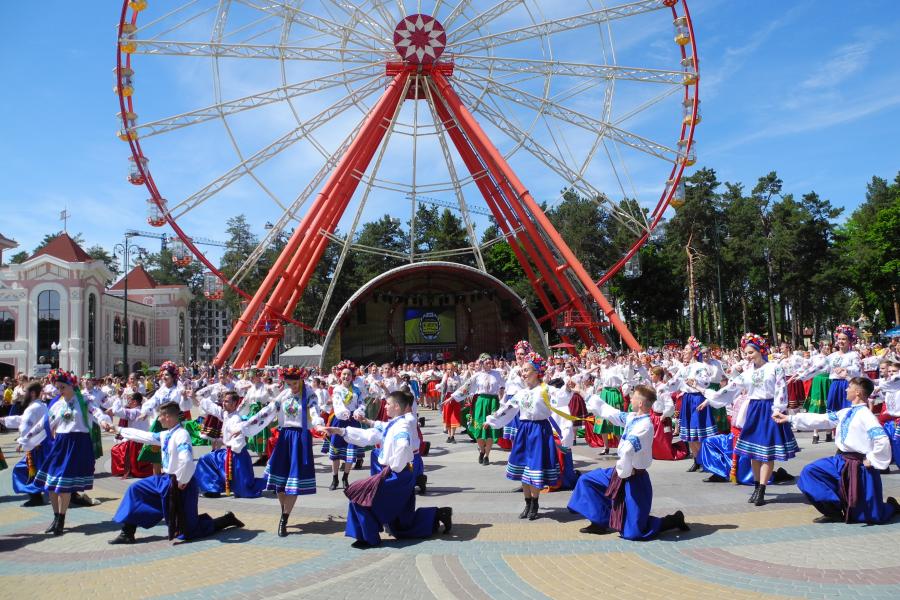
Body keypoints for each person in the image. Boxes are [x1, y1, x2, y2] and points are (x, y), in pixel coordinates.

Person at [320, 390, 452, 548]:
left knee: (361, 498)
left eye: (388, 403)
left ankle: (368, 538)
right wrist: (341, 431)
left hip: (397, 474)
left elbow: (403, 444)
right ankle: (437, 514)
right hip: (400, 472)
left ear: (397, 406)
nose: (385, 406)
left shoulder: (404, 423)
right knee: (401, 524)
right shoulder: (395, 422)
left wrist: (393, 466)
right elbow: (371, 434)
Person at [109, 401, 244, 543]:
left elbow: (186, 460)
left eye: (160, 416)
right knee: (136, 489)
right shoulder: (166, 434)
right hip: (166, 480)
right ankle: (127, 533)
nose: (158, 419)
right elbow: (145, 436)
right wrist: (118, 429)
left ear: (167, 416)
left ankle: (227, 519)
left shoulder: (181, 435)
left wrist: (182, 480)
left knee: (188, 532)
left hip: (181, 485)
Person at [568, 384, 689, 539]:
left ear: (640, 403)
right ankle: (600, 521)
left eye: (633, 397)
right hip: (620, 472)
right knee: (586, 481)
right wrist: (582, 392)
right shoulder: (632, 418)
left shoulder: (645, 425)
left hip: (634, 478)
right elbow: (608, 411)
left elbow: (627, 449)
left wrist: (623, 473)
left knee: (634, 532)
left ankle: (673, 520)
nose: (630, 398)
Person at [775, 377, 899, 524]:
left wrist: (871, 459)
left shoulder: (866, 416)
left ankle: (892, 507)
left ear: (858, 392)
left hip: (860, 466)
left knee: (870, 516)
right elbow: (823, 419)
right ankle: (833, 511)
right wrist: (789, 418)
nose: (846, 389)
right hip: (840, 460)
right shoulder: (846, 412)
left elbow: (882, 439)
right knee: (811, 472)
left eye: (849, 387)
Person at [700, 333, 799, 506]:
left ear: (761, 351)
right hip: (753, 410)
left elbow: (781, 389)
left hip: (769, 409)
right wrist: (708, 394)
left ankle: (762, 489)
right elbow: (730, 389)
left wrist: (777, 409)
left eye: (751, 352)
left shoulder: (774, 368)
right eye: (746, 353)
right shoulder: (747, 373)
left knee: (767, 453)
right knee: (753, 452)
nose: (748, 356)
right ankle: (755, 486)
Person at [15, 370, 111, 535]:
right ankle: (55, 517)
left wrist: (104, 422)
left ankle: (61, 518)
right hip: (59, 444)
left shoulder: (84, 400)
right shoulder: (57, 404)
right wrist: (24, 439)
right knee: (51, 484)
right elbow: (43, 424)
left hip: (77, 444)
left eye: (63, 387)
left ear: (72, 385)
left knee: (64, 486)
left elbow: (97, 412)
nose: (60, 391)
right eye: (58, 387)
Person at [483, 352, 569, 520]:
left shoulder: (545, 389)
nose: (523, 373)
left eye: (527, 370)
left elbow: (562, 397)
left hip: (539, 431)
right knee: (523, 468)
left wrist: (569, 389)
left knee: (534, 468)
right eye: (522, 370)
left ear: (537, 372)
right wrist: (492, 420)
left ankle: (535, 503)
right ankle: (527, 502)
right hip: (524, 430)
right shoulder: (521, 393)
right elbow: (507, 408)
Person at [242, 367, 323, 536]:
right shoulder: (284, 394)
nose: (292, 386)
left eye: (295, 383)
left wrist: (319, 424)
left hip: (300, 438)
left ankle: (284, 518)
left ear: (301, 379)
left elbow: (315, 411)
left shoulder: (309, 395)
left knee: (293, 482)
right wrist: (245, 426)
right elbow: (268, 410)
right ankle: (283, 509)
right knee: (279, 483)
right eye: (289, 383)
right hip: (285, 437)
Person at [194, 390, 267, 498]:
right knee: (206, 459)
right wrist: (194, 398)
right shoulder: (226, 414)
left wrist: (233, 440)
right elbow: (213, 409)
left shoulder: (236, 419)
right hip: (228, 453)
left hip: (236, 455)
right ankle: (213, 489)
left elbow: (239, 436)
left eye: (226, 401)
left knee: (244, 490)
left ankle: (271, 482)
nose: (223, 403)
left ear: (234, 404)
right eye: (223, 401)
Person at [0, 381, 50, 506]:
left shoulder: (33, 408)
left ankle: (36, 496)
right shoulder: (41, 406)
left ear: (32, 393)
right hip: (40, 445)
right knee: (36, 470)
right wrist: (4, 420)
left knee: (22, 470)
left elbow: (26, 426)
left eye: (26, 391)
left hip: (35, 446)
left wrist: (22, 441)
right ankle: (37, 495)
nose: (23, 394)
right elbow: (22, 419)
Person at [452, 354, 504, 465]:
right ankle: (481, 450)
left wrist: (502, 400)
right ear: (482, 363)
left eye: (490, 360)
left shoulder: (497, 374)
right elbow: (465, 387)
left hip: (493, 402)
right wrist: (454, 396)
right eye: (486, 361)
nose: (489, 362)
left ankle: (487, 456)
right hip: (481, 401)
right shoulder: (477, 375)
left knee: (490, 429)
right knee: (479, 428)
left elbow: (502, 387)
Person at [324, 363, 365, 490]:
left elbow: (362, 404)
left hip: (352, 422)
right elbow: (337, 403)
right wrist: (343, 412)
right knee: (336, 451)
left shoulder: (357, 390)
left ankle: (345, 477)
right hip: (339, 420)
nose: (346, 376)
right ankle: (335, 478)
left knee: (350, 452)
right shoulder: (336, 389)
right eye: (344, 374)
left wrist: (359, 411)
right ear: (340, 376)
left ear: (352, 376)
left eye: (349, 374)